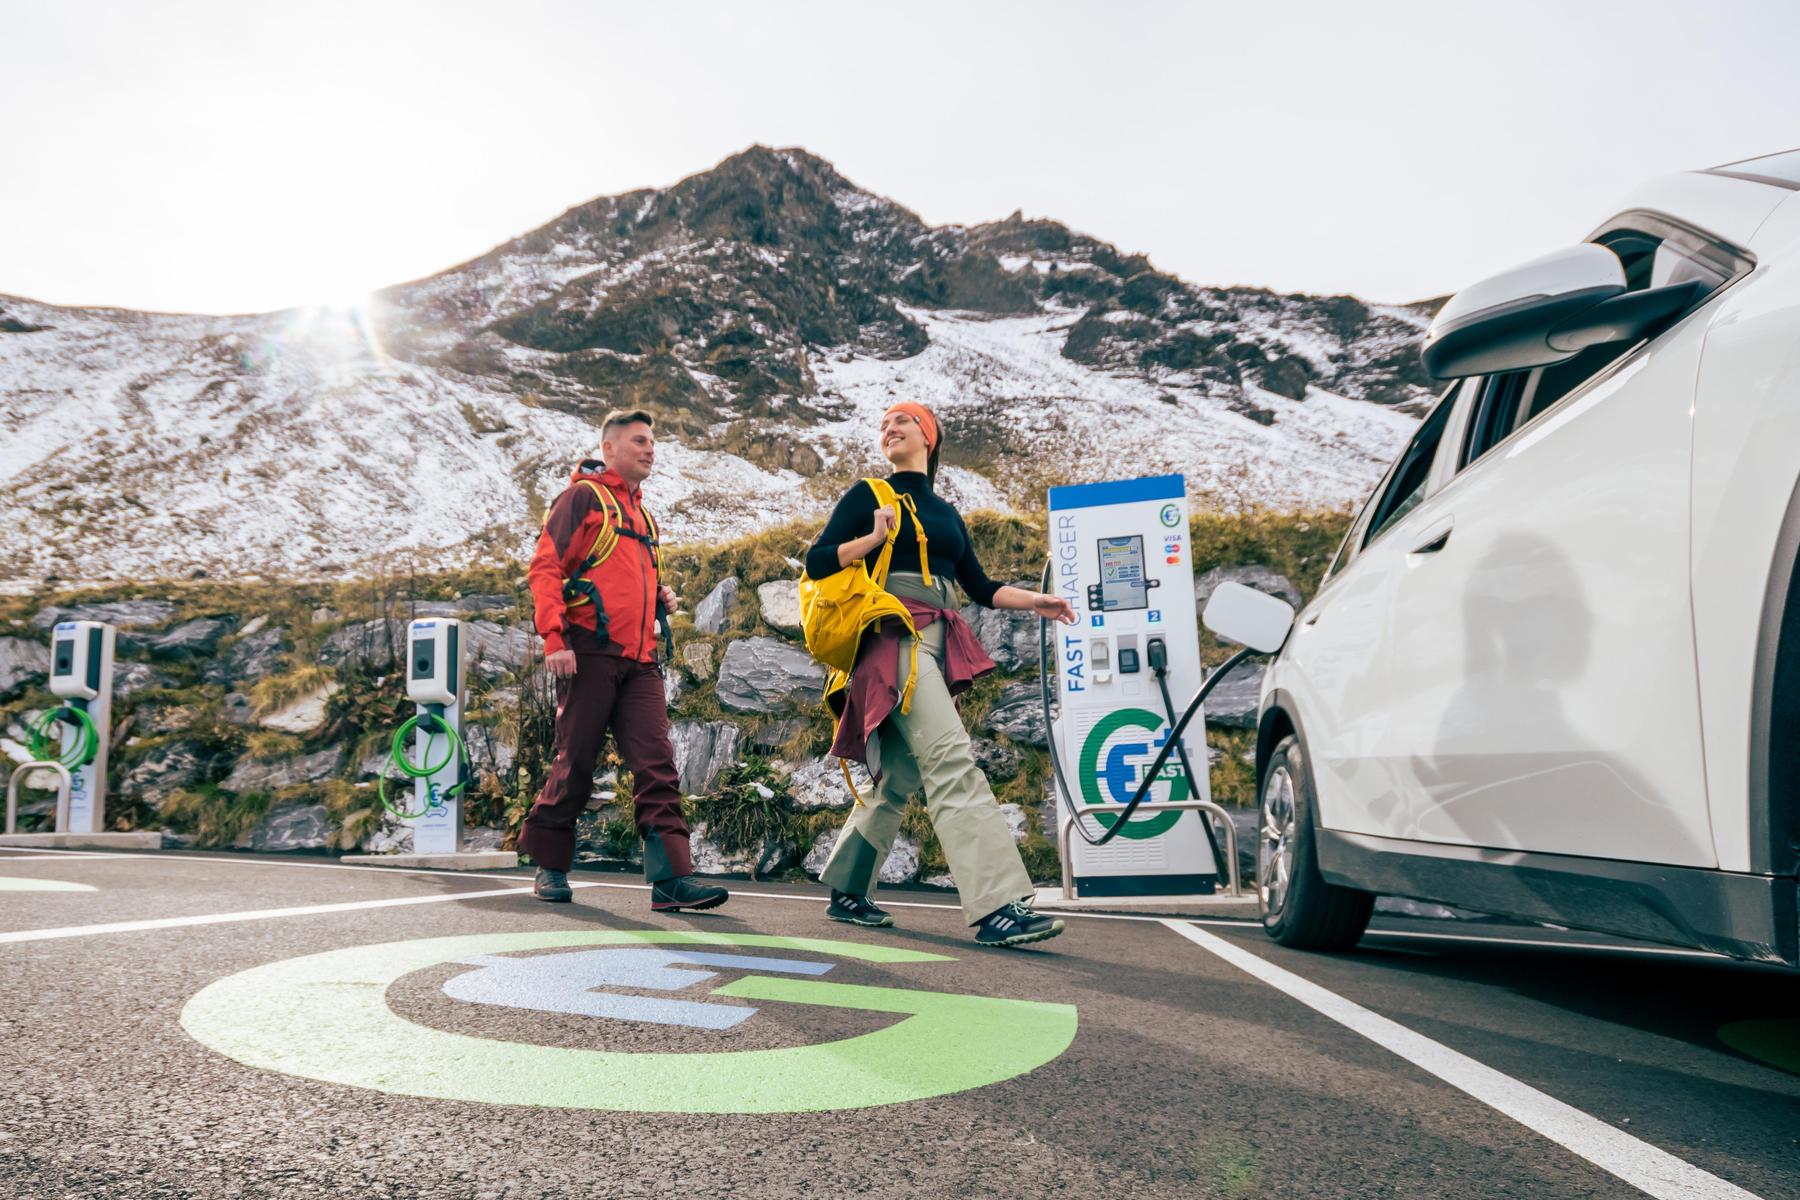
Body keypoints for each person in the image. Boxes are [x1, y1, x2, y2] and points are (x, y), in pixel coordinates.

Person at [805, 401, 1077, 947]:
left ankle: (847, 890)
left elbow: (979, 587)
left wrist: (1035, 601)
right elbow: (817, 561)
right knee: (953, 761)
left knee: (901, 775)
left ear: (927, 436)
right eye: (884, 425)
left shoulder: (948, 514)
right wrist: (871, 540)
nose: (890, 428)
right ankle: (998, 906)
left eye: (901, 421)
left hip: (938, 643)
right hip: (896, 640)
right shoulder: (869, 496)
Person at [519, 409, 728, 912]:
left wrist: (661, 597)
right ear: (609, 448)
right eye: (639, 440)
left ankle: (672, 880)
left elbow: (622, 579)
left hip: (640, 661)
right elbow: (546, 567)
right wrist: (554, 638)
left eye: (652, 441)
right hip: (587, 653)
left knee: (658, 764)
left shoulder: (643, 516)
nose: (649, 449)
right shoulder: (582, 499)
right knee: (576, 762)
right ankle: (550, 866)